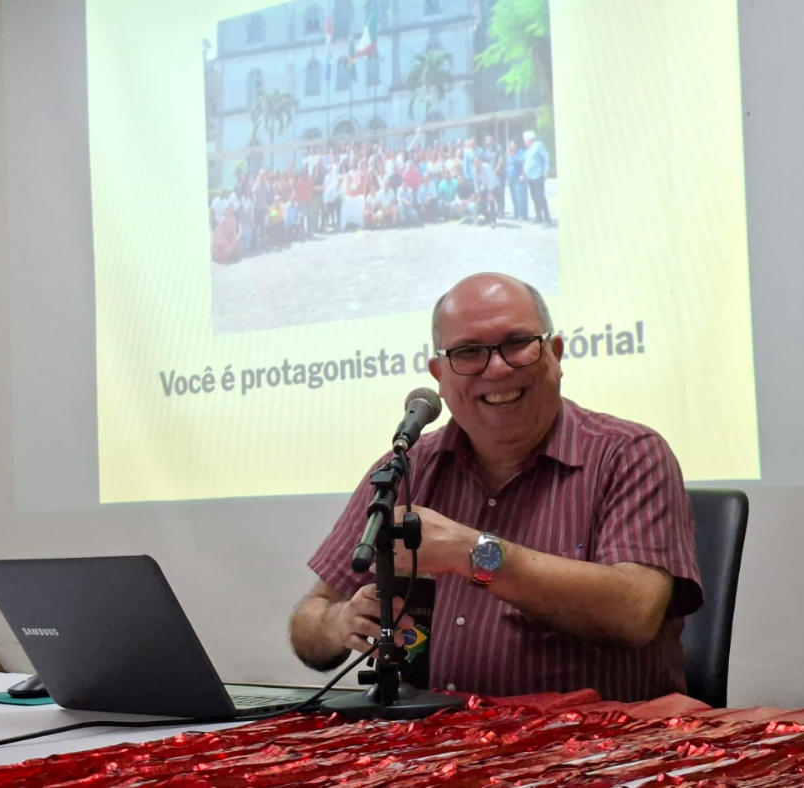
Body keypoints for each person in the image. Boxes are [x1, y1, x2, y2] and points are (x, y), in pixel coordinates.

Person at [289, 273, 701, 702]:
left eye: (517, 343)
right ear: (440, 377)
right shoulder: (407, 468)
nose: (498, 368)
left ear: (555, 354)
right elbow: (310, 620)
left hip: (592, 751)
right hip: (433, 750)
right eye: (469, 352)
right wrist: (342, 623)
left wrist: (474, 553)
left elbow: (635, 611)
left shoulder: (628, 454)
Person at [523, 130, 552, 224]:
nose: (524, 141)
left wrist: (546, 170)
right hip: (530, 177)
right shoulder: (528, 150)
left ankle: (547, 218)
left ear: (529, 139)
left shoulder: (538, 145)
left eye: (525, 139)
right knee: (534, 197)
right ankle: (538, 216)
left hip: (538, 175)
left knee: (540, 196)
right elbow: (527, 163)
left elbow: (546, 156)